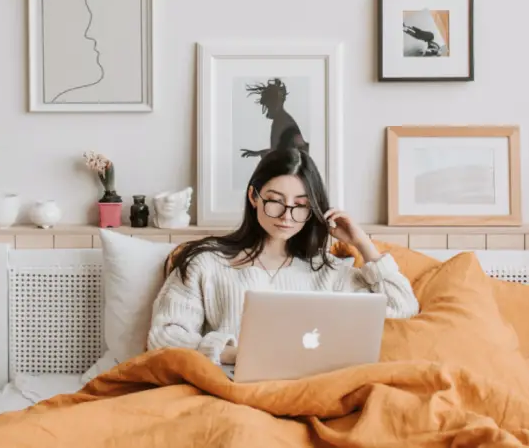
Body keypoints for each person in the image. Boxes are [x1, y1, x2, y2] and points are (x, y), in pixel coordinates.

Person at [146, 148, 420, 365]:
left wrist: (362, 243)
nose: (287, 216)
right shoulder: (207, 263)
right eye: (275, 201)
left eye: (301, 206)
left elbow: (403, 307)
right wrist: (233, 353)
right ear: (254, 197)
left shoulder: (331, 272)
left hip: (310, 392)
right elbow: (164, 336)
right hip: (229, 389)